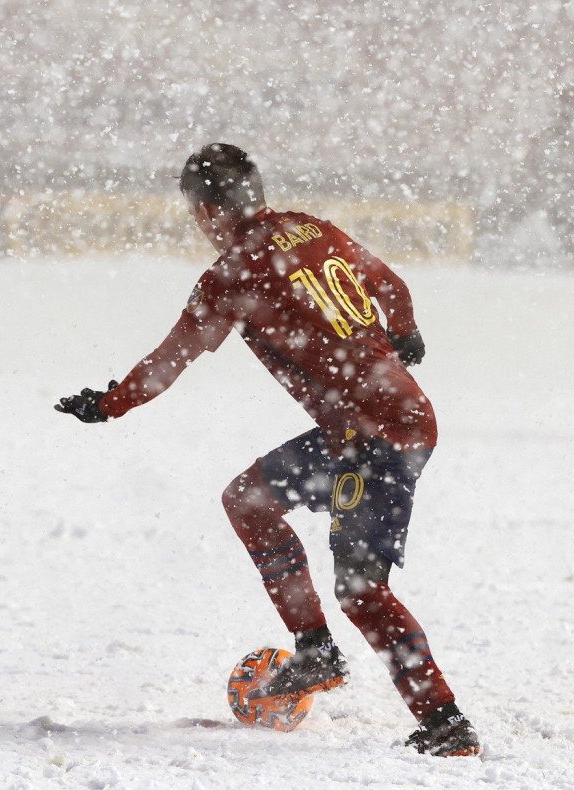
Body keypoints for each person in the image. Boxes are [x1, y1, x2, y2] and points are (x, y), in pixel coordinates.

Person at [56, 144, 479, 757]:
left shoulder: (233, 274)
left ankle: (446, 725)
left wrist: (109, 403)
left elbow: (171, 359)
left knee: (362, 590)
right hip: (375, 423)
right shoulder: (313, 228)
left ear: (205, 212)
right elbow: (390, 283)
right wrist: (405, 331)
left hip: (377, 435)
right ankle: (316, 652)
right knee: (248, 501)